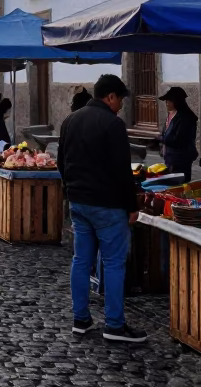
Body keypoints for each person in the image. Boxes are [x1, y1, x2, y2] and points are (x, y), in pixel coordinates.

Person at [58, 73, 146, 343]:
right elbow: (122, 171)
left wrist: (70, 190)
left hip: (79, 202)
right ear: (110, 96)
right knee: (113, 263)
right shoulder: (113, 124)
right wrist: (131, 205)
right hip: (107, 204)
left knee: (81, 260)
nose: (120, 105)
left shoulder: (70, 120)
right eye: (120, 99)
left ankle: (81, 318)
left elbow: (61, 161)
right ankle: (115, 324)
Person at [158, 86, 198, 182]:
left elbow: (179, 140)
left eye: (169, 101)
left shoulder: (186, 118)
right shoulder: (172, 115)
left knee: (180, 185)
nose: (167, 103)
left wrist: (160, 139)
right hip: (171, 158)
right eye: (166, 101)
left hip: (180, 159)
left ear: (177, 102)